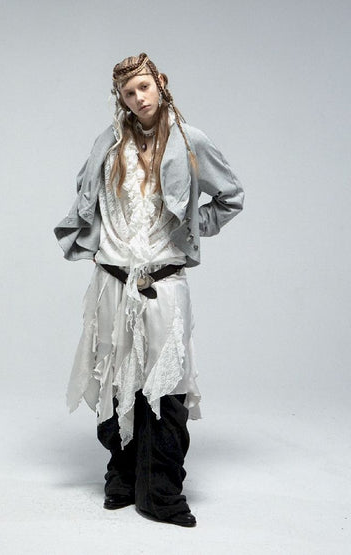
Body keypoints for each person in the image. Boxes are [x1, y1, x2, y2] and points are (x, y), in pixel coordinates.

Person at [54, 53, 244, 527]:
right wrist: (96, 243)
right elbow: (86, 198)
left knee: (166, 387)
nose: (139, 98)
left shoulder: (190, 141)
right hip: (112, 281)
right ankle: (121, 479)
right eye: (128, 92)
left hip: (163, 281)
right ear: (120, 98)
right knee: (115, 382)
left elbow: (230, 196)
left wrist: (191, 230)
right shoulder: (108, 143)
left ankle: (161, 493)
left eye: (144, 86)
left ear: (160, 82)